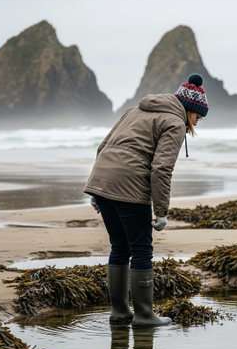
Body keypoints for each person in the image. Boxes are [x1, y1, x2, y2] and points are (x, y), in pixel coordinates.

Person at [84, 74, 208, 327]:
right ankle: (144, 315)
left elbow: (103, 146)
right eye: (199, 116)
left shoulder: (134, 111)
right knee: (141, 249)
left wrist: (98, 190)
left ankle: (119, 313)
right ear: (190, 109)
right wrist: (161, 212)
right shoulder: (174, 123)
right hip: (129, 185)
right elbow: (161, 169)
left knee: (119, 246)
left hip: (102, 178)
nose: (199, 121)